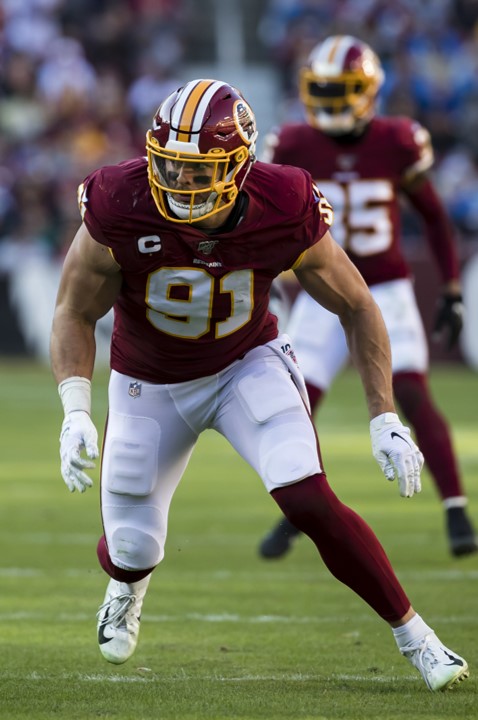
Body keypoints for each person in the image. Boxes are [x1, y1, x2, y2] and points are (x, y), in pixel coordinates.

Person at [50, 78, 469, 692]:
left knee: (307, 498)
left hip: (246, 363)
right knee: (131, 546)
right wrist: (74, 408)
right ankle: (126, 584)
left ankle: (420, 639)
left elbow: (357, 304)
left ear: (240, 166)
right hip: (149, 378)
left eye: (199, 170)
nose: (179, 183)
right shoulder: (119, 196)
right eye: (168, 165)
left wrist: (384, 416)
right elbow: (73, 309)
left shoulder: (285, 199)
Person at [258, 34, 477, 561]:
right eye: (323, 90)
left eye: (342, 90)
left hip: (383, 287)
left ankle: (455, 506)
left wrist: (450, 288)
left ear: (368, 91)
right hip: (320, 288)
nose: (331, 102)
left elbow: (433, 216)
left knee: (413, 393)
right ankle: (303, 511)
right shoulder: (292, 144)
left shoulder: (398, 140)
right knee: (297, 403)